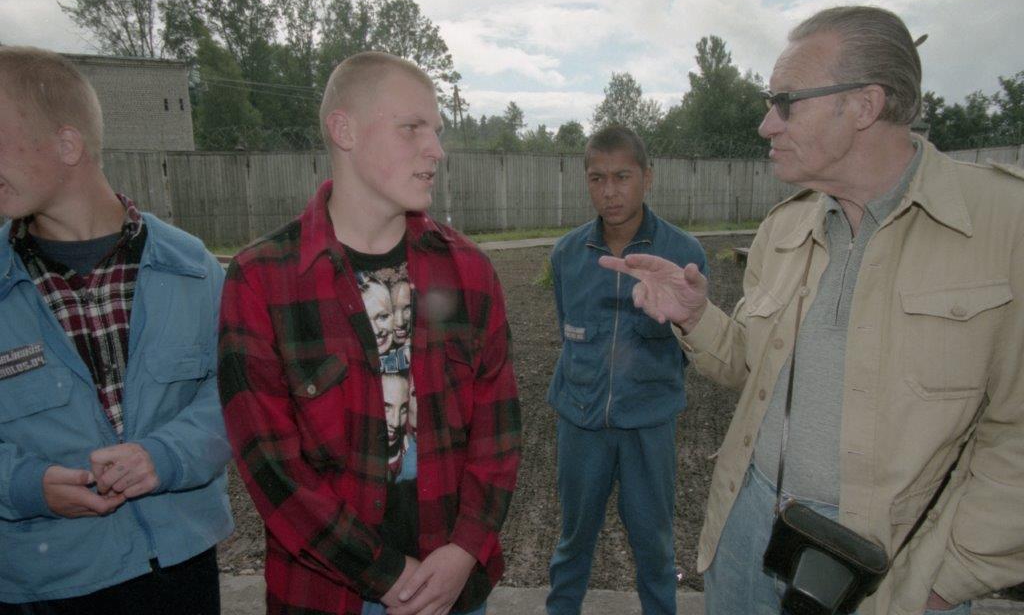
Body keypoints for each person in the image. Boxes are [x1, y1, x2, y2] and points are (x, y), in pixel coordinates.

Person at [601, 5, 1024, 615]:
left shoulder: (1004, 228)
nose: (765, 124)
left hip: (886, 566)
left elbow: (1016, 435)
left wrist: (946, 580)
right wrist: (696, 315)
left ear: (864, 105)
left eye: (786, 102)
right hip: (750, 526)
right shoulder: (785, 227)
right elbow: (753, 369)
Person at [218, 51, 522, 615]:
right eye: (412, 128)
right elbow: (271, 467)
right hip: (326, 592)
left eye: (436, 131)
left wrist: (465, 550)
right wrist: (383, 574)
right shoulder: (261, 280)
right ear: (345, 131)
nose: (436, 150)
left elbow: (498, 434)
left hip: (453, 587)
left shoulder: (470, 272)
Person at [0, 47, 233, 613]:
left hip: (180, 574)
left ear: (68, 145)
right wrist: (24, 485)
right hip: (43, 585)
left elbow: (238, 396)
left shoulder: (192, 268)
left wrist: (165, 456)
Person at [545, 125, 707, 615]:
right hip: (581, 423)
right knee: (573, 540)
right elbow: (567, 330)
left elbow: (692, 344)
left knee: (655, 545)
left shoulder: (685, 255)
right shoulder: (567, 254)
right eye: (597, 178)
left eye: (622, 176)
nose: (609, 191)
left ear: (647, 178)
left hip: (648, 428)